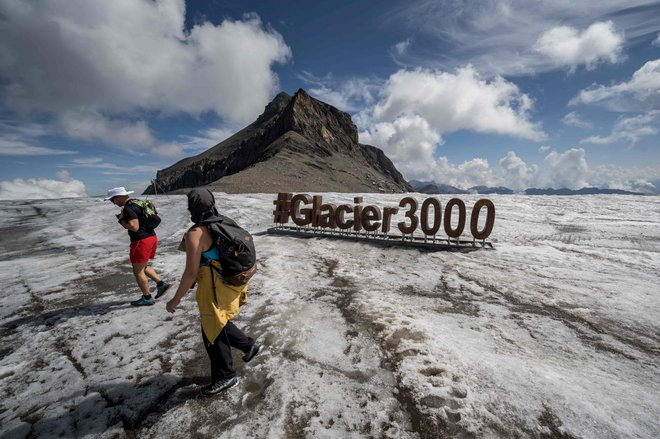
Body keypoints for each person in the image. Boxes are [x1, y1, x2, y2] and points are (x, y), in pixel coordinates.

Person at [166, 188, 260, 396]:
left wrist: (175, 299)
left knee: (212, 330)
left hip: (213, 287)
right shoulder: (222, 222)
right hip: (230, 282)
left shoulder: (196, 233)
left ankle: (226, 377)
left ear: (191, 208)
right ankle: (248, 346)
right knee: (219, 320)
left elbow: (191, 273)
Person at [105, 187, 171, 306]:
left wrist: (121, 221)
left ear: (119, 197)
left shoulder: (128, 208)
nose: (112, 203)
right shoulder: (139, 203)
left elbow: (134, 227)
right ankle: (162, 285)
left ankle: (147, 297)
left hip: (141, 241)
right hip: (151, 237)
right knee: (143, 266)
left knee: (138, 271)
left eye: (112, 200)